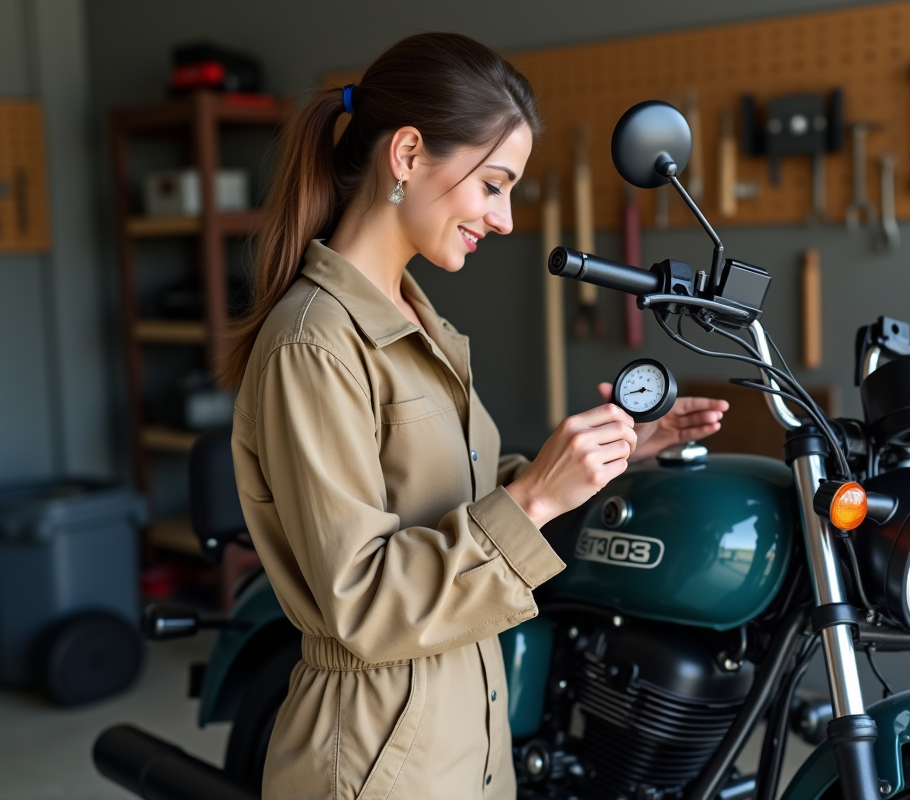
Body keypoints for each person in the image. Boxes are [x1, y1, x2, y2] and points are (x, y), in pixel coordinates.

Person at [218, 32, 728, 800]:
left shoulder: (416, 323)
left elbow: (447, 501)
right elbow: (358, 600)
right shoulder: (314, 344)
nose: (507, 218)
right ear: (409, 154)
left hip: (462, 735)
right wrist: (535, 500)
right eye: (493, 184)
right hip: (373, 760)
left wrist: (611, 456)